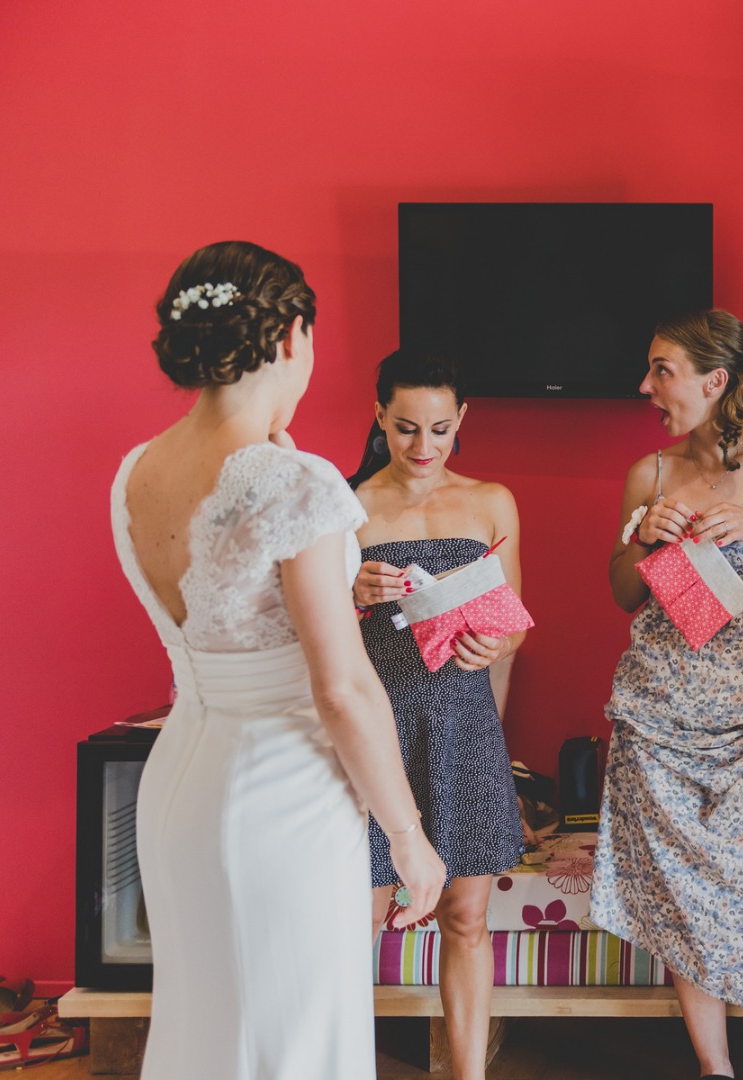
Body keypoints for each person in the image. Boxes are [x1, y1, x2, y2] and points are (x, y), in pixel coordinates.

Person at [110, 241, 444, 1079]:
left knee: (212, 1029)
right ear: (292, 335)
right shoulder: (295, 481)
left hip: (181, 779)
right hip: (281, 796)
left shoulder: (135, 472)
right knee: (294, 1038)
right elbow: (341, 687)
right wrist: (408, 835)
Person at [593, 310, 743, 1080]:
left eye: (660, 370)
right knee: (681, 900)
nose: (646, 386)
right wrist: (643, 542)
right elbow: (621, 594)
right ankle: (716, 1069)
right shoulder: (651, 475)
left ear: (714, 381)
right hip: (657, 715)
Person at [346, 350, 527, 1080]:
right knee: (353, 929)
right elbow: (306, 637)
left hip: (468, 730)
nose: (424, 448)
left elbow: (514, 626)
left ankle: (468, 1074)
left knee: (467, 918)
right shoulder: (347, 506)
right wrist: (350, 590)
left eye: (442, 429)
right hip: (373, 739)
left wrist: (496, 643)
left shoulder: (492, 500)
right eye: (406, 428)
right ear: (379, 416)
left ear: (463, 420)